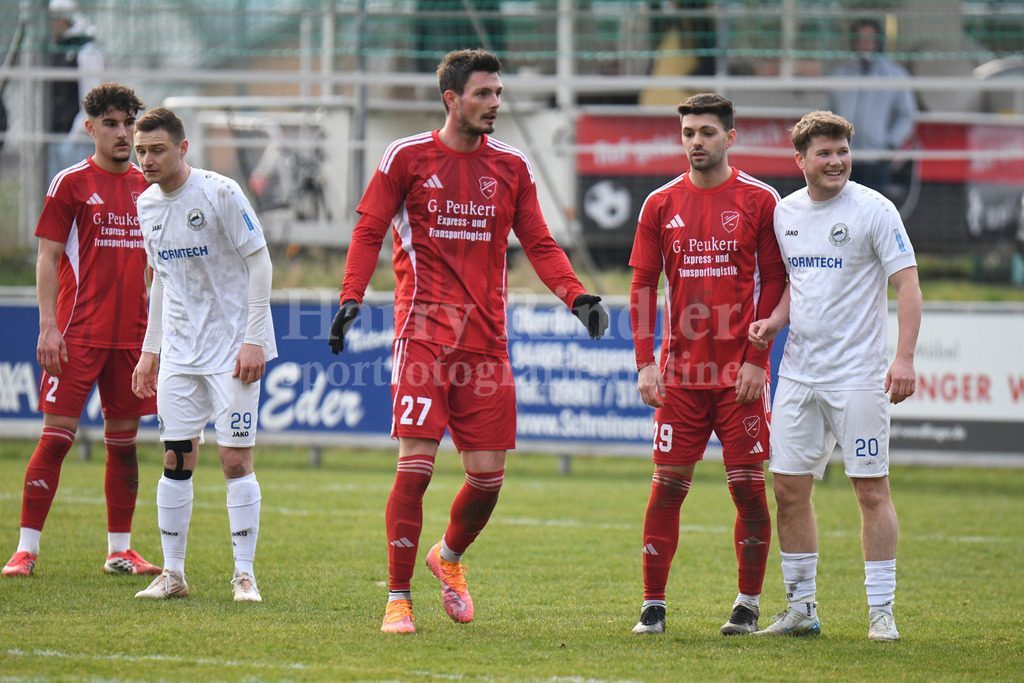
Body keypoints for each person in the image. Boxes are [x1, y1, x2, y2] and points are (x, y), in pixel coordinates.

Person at [328, 48, 609, 634]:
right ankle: (398, 599)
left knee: (486, 481)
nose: (495, 104)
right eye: (484, 94)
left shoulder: (511, 166)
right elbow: (369, 228)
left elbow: (538, 242)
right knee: (416, 469)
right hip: (423, 337)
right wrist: (351, 295)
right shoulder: (405, 156)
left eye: (499, 94)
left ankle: (448, 559)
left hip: (486, 346)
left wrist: (576, 295)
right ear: (451, 99)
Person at [748, 110, 921, 641]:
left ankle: (881, 612)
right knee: (788, 491)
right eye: (823, 153)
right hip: (800, 375)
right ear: (800, 160)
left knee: (871, 491)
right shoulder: (785, 212)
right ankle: (801, 609)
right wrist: (773, 323)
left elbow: (908, 286)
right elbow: (794, 288)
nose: (836, 161)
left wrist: (905, 358)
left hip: (858, 377)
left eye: (842, 150)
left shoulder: (875, 209)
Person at [627, 93, 787, 636]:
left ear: (730, 138)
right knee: (666, 486)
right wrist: (646, 362)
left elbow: (776, 283)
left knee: (747, 487)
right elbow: (643, 285)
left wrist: (757, 360)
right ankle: (653, 605)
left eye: (707, 132)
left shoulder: (761, 200)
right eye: (689, 132)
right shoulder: (659, 204)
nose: (696, 141)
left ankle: (747, 603)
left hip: (738, 378)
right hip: (681, 377)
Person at [2, 83, 160, 578]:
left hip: (133, 339)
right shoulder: (69, 182)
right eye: (111, 124)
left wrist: (158, 339)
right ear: (90, 128)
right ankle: (26, 550)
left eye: (128, 123)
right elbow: (47, 258)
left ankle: (120, 550)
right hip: (77, 335)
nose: (122, 132)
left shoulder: (151, 187)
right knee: (56, 439)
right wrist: (48, 326)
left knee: (125, 446)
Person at [130, 106, 277, 603]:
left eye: (157, 150)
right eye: (141, 151)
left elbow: (261, 263)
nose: (147, 160)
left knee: (235, 460)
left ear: (182, 148)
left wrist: (254, 337)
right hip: (178, 352)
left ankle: (244, 575)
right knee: (175, 458)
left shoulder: (219, 191)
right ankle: (173, 574)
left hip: (233, 349)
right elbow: (161, 283)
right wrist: (151, 352)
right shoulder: (146, 205)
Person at [826, 18, 916, 197]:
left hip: (877, 160)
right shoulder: (840, 75)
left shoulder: (895, 75)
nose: (865, 44)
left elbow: (906, 115)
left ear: (879, 41)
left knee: (873, 212)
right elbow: (828, 114)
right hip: (843, 159)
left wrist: (890, 144)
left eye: (870, 39)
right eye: (860, 39)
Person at [46, 0, 105, 182]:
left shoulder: (86, 49)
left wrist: (76, 135)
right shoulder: (60, 48)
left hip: (75, 139)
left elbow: (91, 95)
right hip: (57, 134)